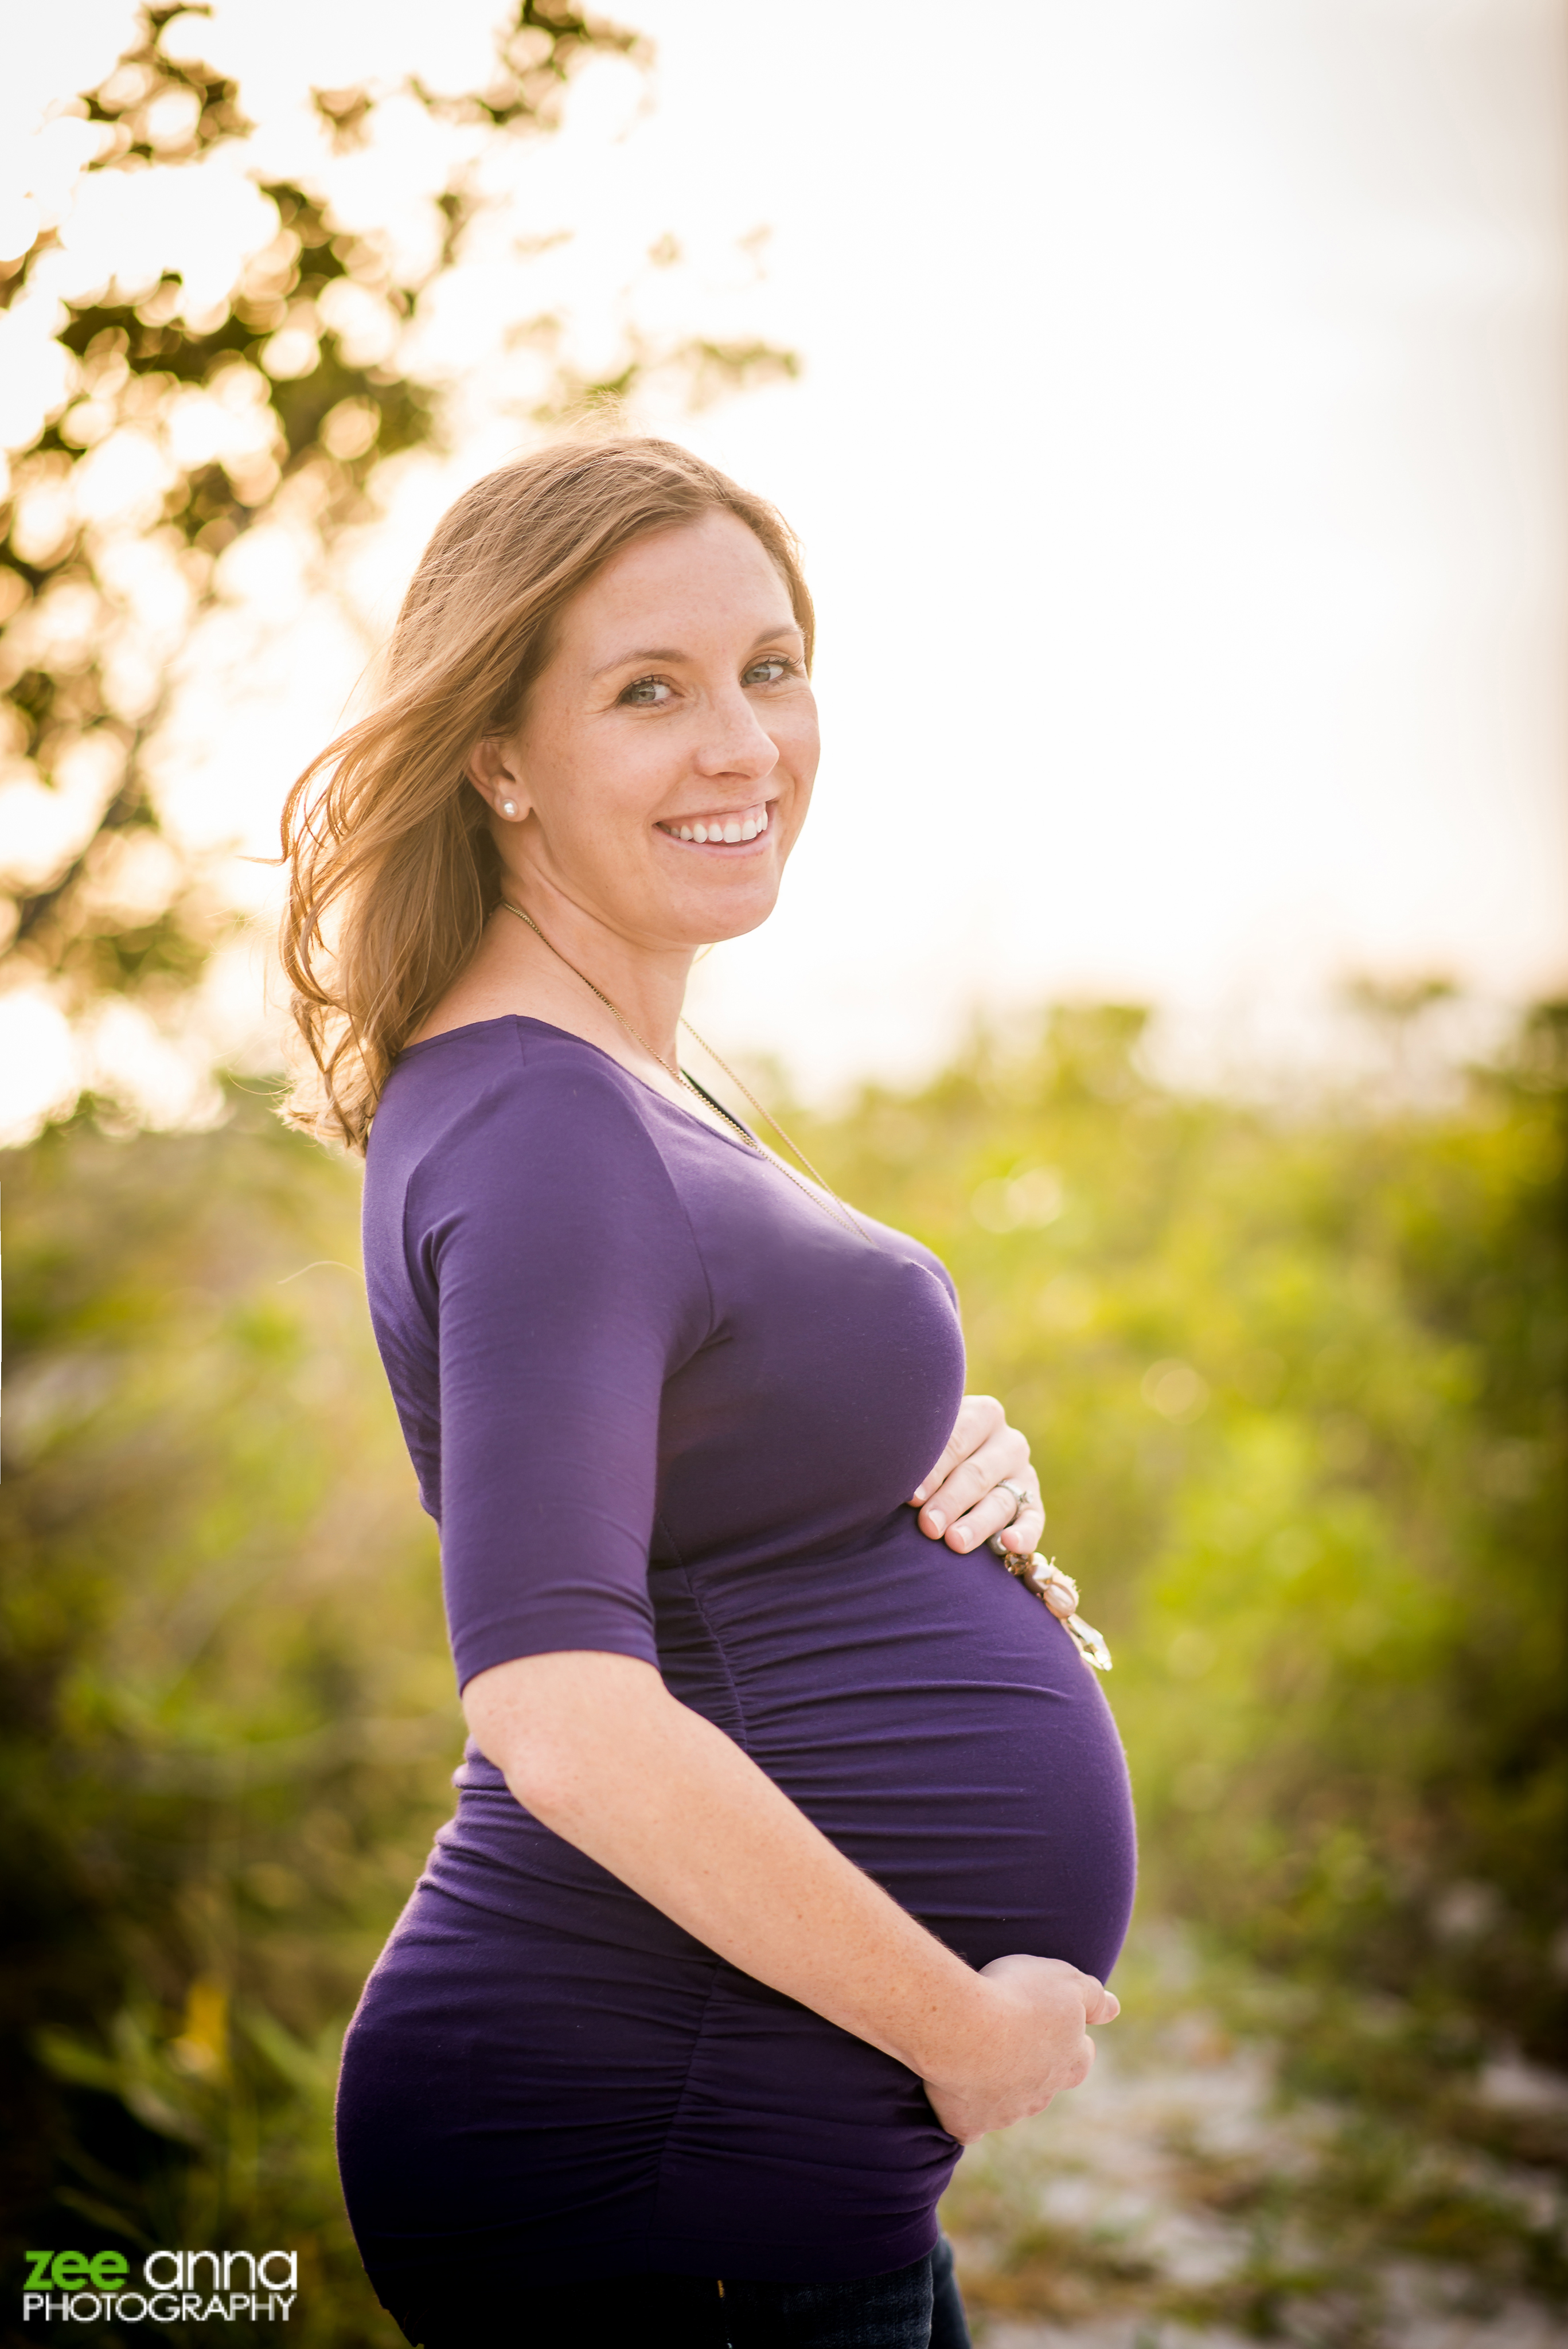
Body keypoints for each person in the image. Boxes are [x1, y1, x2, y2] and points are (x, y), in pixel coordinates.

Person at [280, 438, 1137, 2348]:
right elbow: (560, 1708)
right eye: (649, 692)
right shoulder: (544, 1120)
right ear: (498, 757)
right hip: (649, 2167)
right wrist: (962, 2031)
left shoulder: (626, 1086)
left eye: (771, 666)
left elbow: (702, 1484)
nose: (743, 742)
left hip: (738, 2169)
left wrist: (925, 1460)